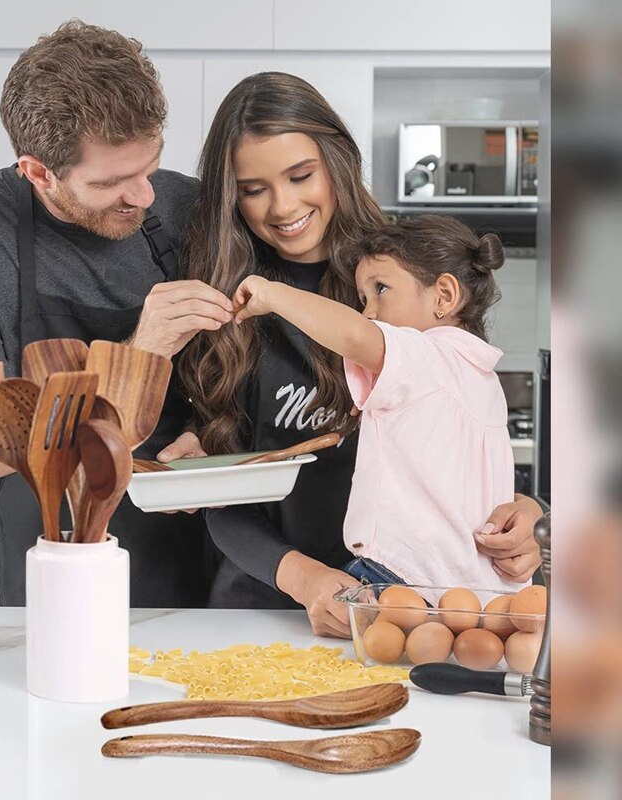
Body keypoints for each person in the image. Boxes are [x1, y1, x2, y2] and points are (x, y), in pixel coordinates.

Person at [178, 72, 543, 637]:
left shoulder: (407, 276)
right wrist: (308, 580)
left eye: (301, 175)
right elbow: (219, 495)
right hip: (265, 605)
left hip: (407, 606)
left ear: (336, 162)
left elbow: (466, 433)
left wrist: (525, 512)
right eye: (253, 189)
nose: (283, 205)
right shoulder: (230, 300)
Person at [0, 21, 233, 607]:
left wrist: (210, 433)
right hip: (53, 531)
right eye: (112, 182)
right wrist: (139, 357)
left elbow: (235, 376)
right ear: (38, 172)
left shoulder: (185, 204)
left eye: (150, 165)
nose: (143, 196)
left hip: (186, 527)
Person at [234, 214, 523, 591]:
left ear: (444, 296)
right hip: (475, 583)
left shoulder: (428, 356)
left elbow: (356, 336)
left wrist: (272, 294)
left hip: (403, 576)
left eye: (381, 289)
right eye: (362, 299)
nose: (369, 311)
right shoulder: (478, 374)